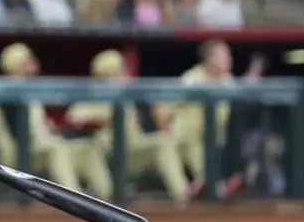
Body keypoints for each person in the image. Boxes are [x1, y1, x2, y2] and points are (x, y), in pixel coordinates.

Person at [0, 43, 112, 199]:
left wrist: (51, 130)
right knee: (56, 148)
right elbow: (20, 135)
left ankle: (108, 198)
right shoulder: (6, 91)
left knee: (87, 148)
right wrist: (48, 137)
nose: (33, 63)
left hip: (42, 148)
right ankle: (74, 197)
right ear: (16, 65)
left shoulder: (30, 88)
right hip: (20, 153)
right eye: (27, 61)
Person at [68, 50, 190, 206]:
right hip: (107, 155)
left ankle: (183, 197)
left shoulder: (128, 94)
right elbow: (74, 118)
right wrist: (102, 119)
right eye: (118, 71)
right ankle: (107, 199)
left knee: (162, 142)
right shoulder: (92, 95)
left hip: (133, 152)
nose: (123, 75)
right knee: (94, 148)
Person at [156, 40, 264, 197]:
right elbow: (162, 109)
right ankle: (196, 192)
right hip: (186, 139)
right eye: (224, 56)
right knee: (198, 153)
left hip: (212, 141)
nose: (229, 59)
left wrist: (254, 72)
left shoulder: (226, 80)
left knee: (228, 144)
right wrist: (167, 132)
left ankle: (210, 188)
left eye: (228, 55)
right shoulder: (192, 80)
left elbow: (243, 90)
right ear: (210, 59)